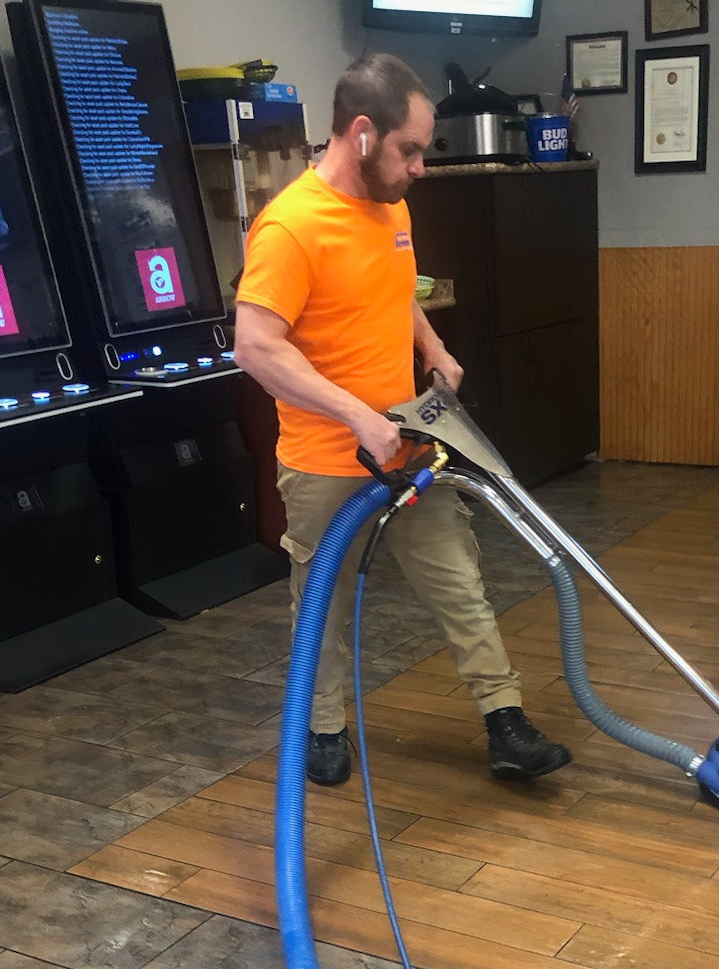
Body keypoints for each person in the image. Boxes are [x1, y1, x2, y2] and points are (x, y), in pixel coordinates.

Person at [233, 53, 572, 787]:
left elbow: (397, 289)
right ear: (361, 133)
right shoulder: (290, 228)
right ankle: (322, 729)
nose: (420, 166)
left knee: (459, 580)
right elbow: (255, 346)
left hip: (411, 445)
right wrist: (357, 416)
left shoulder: (392, 206)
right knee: (321, 602)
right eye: (409, 149)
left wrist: (435, 346)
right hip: (329, 462)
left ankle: (504, 720)